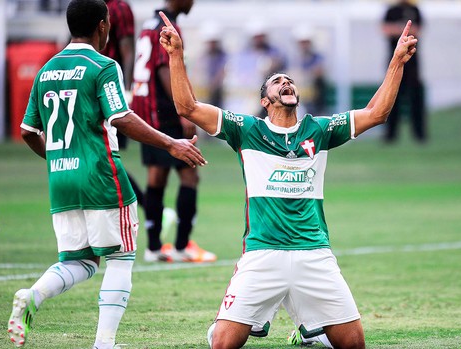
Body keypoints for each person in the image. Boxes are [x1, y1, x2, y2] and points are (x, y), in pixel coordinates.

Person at [158, 11, 417, 348]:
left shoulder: (319, 129)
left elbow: (376, 113)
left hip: (314, 254)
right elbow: (187, 107)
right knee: (223, 343)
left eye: (289, 80)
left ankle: (308, 328)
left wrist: (397, 61)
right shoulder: (248, 129)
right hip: (263, 254)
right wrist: (177, 55)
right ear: (265, 101)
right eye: (278, 81)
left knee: (354, 344)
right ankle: (278, 325)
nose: (286, 83)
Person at [8, 1, 206, 348]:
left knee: (80, 262)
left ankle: (32, 295)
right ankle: (104, 343)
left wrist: (56, 160)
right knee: (120, 257)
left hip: (61, 180)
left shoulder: (46, 70)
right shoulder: (102, 66)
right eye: (109, 23)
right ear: (102, 25)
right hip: (101, 174)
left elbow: (27, 131)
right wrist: (171, 144)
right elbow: (122, 117)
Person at [131, 0, 216, 263]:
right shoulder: (168, 25)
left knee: (156, 178)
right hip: (165, 110)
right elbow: (164, 69)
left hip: (146, 109)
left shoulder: (149, 24)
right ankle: (181, 246)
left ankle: (154, 247)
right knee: (190, 176)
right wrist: (186, 111)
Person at [102, 0, 145, 207]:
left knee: (105, 157)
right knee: (102, 157)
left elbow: (128, 53)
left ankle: (145, 206)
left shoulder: (119, 8)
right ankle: (148, 207)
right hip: (90, 87)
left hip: (108, 90)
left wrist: (126, 92)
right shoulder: (85, 5)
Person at [382, 0, 426, 143]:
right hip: (394, 60)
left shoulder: (415, 10)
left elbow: (417, 30)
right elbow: (385, 29)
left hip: (412, 61)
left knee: (415, 97)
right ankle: (390, 135)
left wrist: (397, 30)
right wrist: (404, 31)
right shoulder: (391, 11)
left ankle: (419, 135)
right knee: (391, 97)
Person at [291, 24, 327, 117]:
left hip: (314, 103)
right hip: (298, 101)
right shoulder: (294, 59)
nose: (304, 45)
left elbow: (319, 71)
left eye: (306, 42)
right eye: (302, 42)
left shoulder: (317, 57)